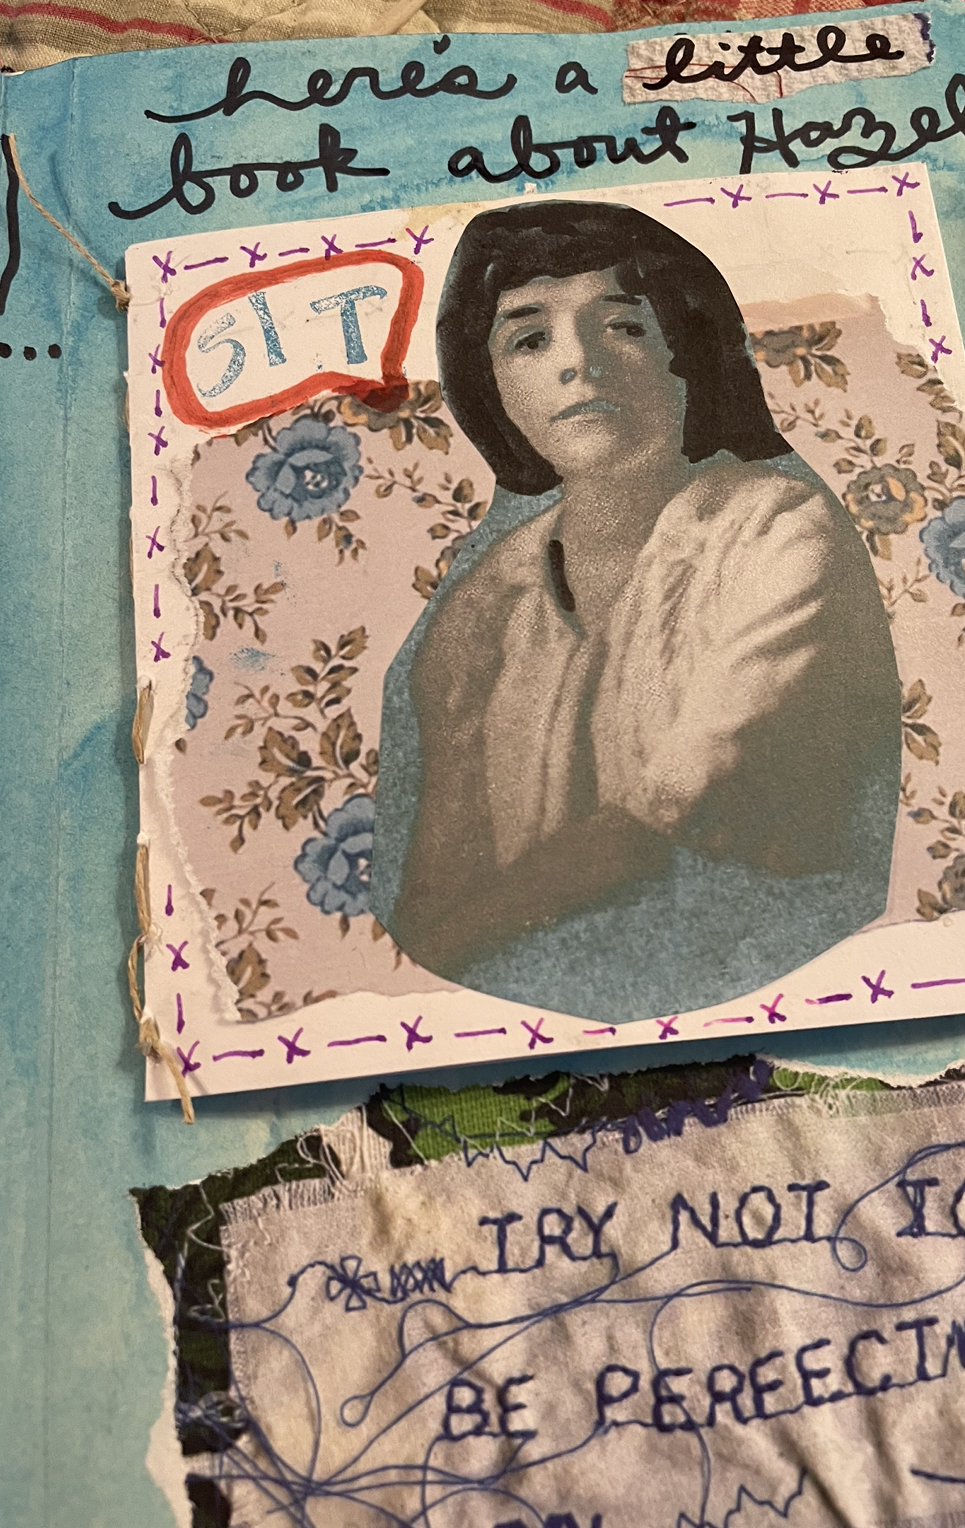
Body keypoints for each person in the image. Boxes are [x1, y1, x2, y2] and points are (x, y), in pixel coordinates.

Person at [370, 200, 901, 1020]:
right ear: (491, 383)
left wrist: (456, 938)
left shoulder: (780, 531)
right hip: (525, 1020)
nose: (578, 364)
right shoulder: (484, 607)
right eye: (529, 340)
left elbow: (662, 822)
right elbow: (436, 890)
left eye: (622, 327)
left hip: (781, 989)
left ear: (686, 349)